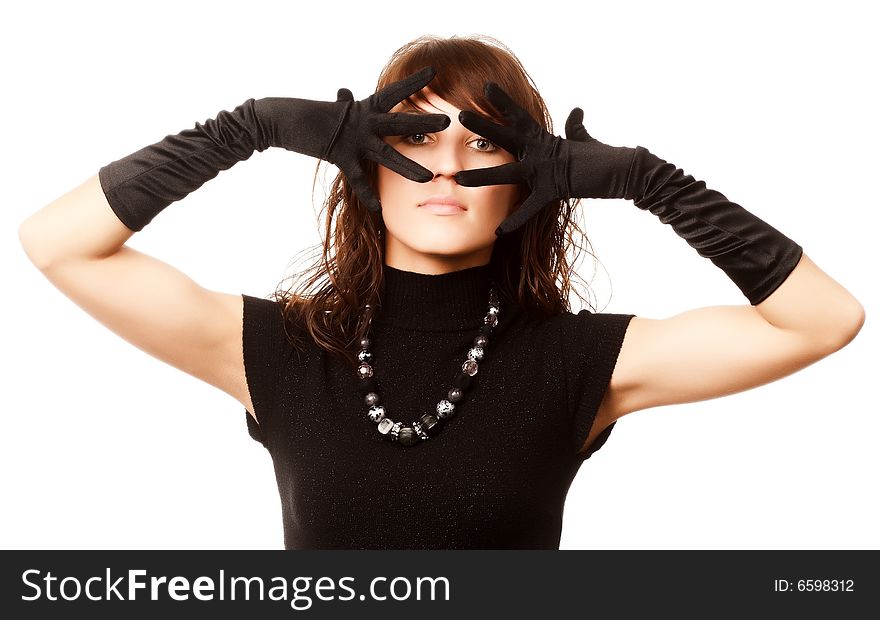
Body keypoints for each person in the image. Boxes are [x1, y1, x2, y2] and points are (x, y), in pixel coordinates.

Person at [18, 34, 864, 549]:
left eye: (482, 146)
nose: (448, 170)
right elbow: (58, 245)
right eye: (417, 140)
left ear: (532, 178)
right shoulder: (280, 350)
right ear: (364, 172)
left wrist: (655, 182)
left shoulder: (581, 361)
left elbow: (825, 321)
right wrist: (253, 126)